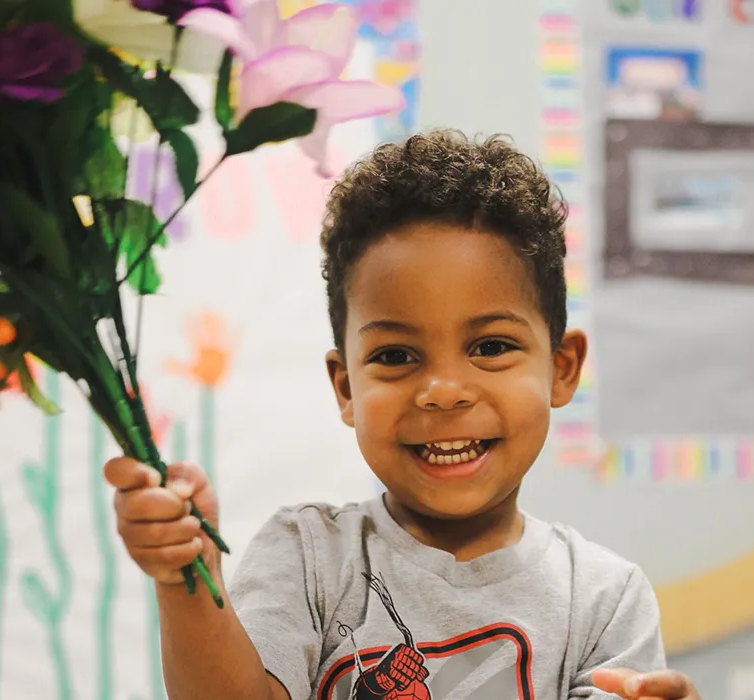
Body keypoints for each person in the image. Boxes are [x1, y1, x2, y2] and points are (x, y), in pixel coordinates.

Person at [105, 130, 703, 700]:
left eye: (490, 346)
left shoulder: (602, 597)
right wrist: (187, 578)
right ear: (345, 387)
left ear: (562, 367)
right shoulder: (307, 556)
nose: (443, 391)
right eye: (396, 356)